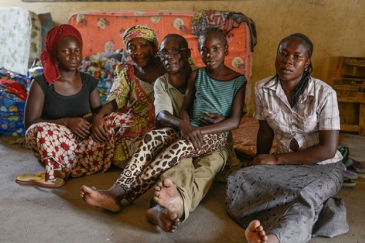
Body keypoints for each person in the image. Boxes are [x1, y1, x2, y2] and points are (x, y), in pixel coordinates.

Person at [80, 30, 244, 222]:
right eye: (164, 53)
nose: (169, 57)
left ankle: (170, 207)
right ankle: (137, 199)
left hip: (214, 141)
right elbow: (170, 113)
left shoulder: (216, 75)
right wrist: (185, 126)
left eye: (175, 51)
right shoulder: (179, 80)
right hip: (185, 135)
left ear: (187, 53)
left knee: (206, 169)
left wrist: (217, 121)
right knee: (172, 161)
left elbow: (236, 117)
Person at [225, 33, 349, 243]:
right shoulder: (263, 89)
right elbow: (265, 132)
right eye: (283, 53)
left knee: (304, 196)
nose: (288, 60)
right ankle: (318, 213)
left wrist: (276, 159)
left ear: (307, 62)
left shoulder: (324, 93)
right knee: (240, 180)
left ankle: (273, 238)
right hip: (285, 167)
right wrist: (260, 162)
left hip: (323, 166)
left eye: (296, 56)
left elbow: (328, 149)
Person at [23, 24, 104, 185]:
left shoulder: (88, 81)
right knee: (38, 130)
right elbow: (30, 124)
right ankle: (57, 166)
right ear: (55, 54)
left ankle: (68, 166)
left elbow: (100, 112)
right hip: (54, 143)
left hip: (81, 142)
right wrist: (67, 122)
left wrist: (96, 119)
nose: (73, 56)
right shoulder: (42, 83)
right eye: (66, 51)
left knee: (112, 121)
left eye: (77, 51)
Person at [91, 25, 166, 169]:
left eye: (143, 46)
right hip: (135, 121)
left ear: (153, 47)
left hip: (163, 121)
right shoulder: (126, 71)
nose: (137, 52)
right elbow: (115, 101)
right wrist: (98, 117)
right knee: (106, 125)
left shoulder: (168, 66)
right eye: (132, 47)